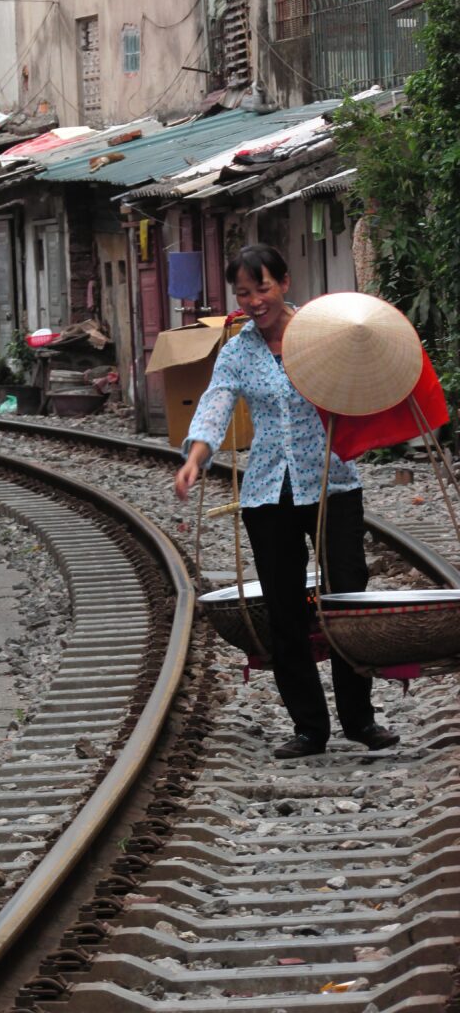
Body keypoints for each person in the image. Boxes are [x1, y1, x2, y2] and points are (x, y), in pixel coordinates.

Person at [174, 244, 400, 759]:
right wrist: (197, 456)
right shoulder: (237, 350)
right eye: (244, 292)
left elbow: (365, 385)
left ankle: (360, 720)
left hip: (332, 485)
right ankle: (309, 728)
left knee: (347, 602)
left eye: (263, 288)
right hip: (266, 493)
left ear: (285, 284)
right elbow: (216, 402)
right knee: (284, 610)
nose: (255, 301)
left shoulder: (325, 337)